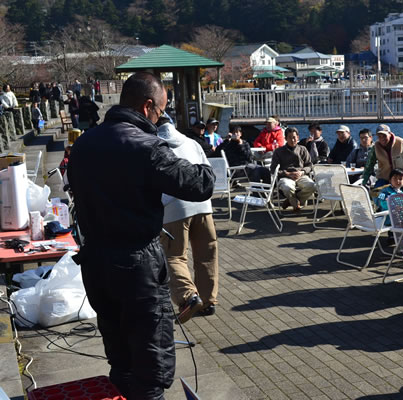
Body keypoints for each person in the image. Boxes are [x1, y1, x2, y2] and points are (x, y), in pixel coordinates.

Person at [67, 72, 215, 400]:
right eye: (161, 112)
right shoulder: (147, 146)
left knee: (121, 360)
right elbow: (200, 184)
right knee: (151, 367)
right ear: (148, 106)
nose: (160, 118)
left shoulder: (83, 144)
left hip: (96, 262)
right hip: (138, 267)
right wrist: (198, 148)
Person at [157, 117, 219, 321]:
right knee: (207, 254)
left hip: (174, 207)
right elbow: (208, 171)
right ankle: (208, 302)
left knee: (173, 256)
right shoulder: (191, 143)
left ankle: (188, 297)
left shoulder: (155, 145)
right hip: (203, 204)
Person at [270, 127, 315, 212]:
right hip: (286, 176)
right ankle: (295, 203)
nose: (292, 140)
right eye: (290, 137)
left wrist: (302, 172)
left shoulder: (303, 149)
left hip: (300, 175)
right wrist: (287, 173)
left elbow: (309, 165)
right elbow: (273, 169)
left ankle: (291, 201)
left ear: (298, 137)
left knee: (312, 186)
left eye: (294, 137)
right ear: (285, 138)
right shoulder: (278, 151)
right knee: (287, 188)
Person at [249, 116, 284, 183]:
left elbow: (279, 144)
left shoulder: (279, 132)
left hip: (270, 152)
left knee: (272, 153)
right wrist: (259, 147)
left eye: (269, 123)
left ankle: (268, 174)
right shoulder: (264, 132)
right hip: (261, 152)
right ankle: (254, 174)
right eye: (266, 123)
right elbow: (256, 141)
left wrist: (265, 148)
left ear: (275, 124)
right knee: (251, 154)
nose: (267, 125)